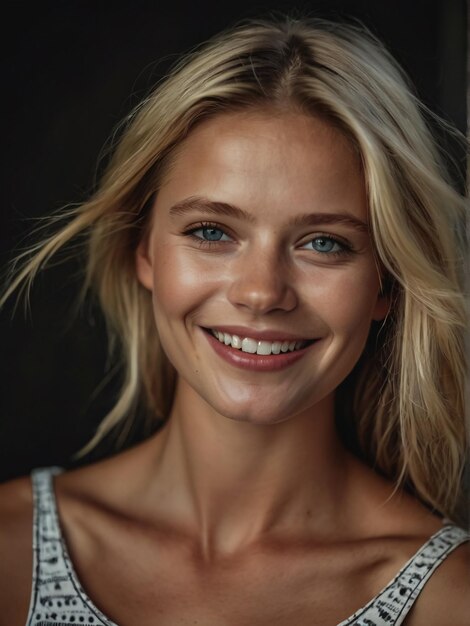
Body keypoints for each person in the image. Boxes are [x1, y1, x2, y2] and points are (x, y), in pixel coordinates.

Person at [0, 14, 468, 626]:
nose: (260, 292)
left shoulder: (450, 599)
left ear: (387, 283)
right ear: (144, 252)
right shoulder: (9, 553)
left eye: (324, 243)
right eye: (212, 231)